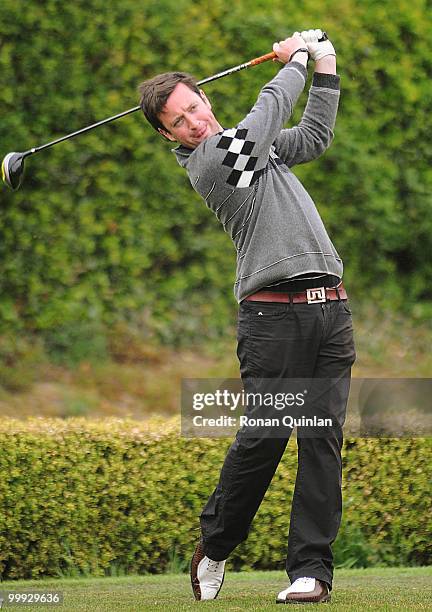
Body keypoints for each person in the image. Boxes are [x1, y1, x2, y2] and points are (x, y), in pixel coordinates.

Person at [138, 29, 356, 605]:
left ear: (205, 98)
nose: (194, 122)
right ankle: (214, 546)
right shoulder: (211, 162)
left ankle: (311, 572)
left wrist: (325, 66)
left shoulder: (256, 147)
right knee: (264, 438)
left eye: (194, 107)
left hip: (330, 310)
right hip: (272, 319)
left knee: (322, 440)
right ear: (168, 135)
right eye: (179, 121)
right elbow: (264, 118)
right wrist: (293, 62)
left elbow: (311, 136)